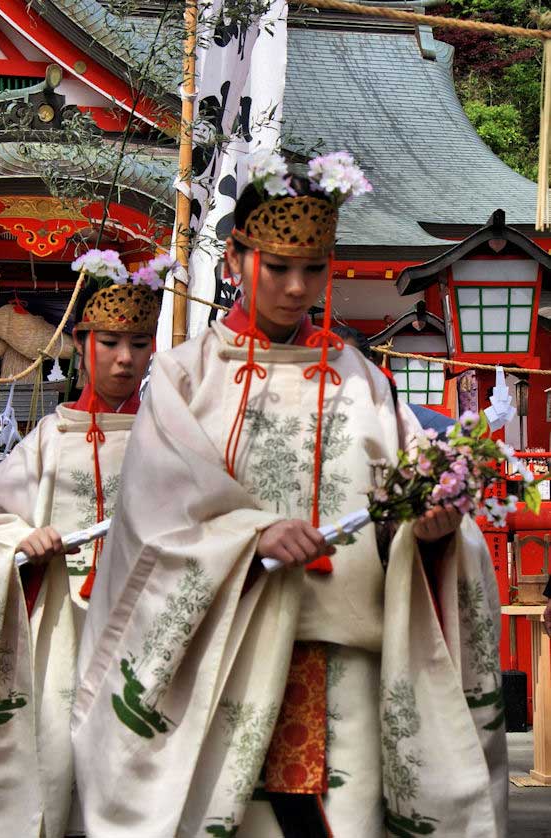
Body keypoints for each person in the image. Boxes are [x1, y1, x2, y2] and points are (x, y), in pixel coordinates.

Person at [73, 157, 507, 837]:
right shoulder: (186, 378)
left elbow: (399, 509)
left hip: (346, 666)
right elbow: (155, 519)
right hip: (226, 657)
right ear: (238, 256)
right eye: (276, 266)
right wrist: (251, 533)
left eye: (315, 268)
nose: (296, 287)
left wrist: (431, 532)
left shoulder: (364, 382)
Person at [0, 271, 162, 838]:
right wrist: (18, 541)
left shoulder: (169, 439)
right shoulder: (47, 441)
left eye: (139, 344)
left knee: (140, 763)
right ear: (83, 346)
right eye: (110, 343)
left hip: (146, 623)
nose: (124, 359)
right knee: (59, 752)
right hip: (63, 624)